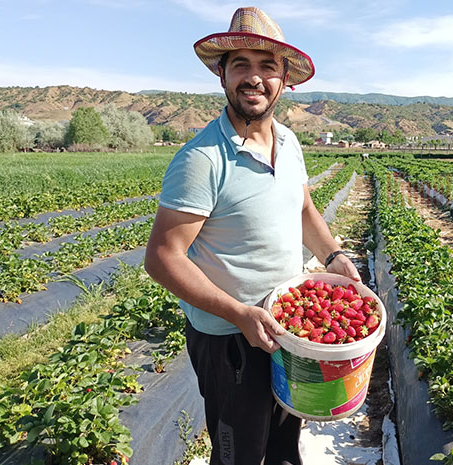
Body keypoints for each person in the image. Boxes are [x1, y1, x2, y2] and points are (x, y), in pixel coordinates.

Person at [144, 6, 360, 465]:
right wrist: (238, 313)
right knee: (238, 453)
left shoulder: (289, 141)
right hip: (231, 339)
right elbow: (163, 257)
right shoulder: (202, 159)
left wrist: (333, 255)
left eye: (267, 66)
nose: (254, 78)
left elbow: (304, 209)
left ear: (285, 79)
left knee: (283, 445)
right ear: (222, 75)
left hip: (288, 328)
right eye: (240, 64)